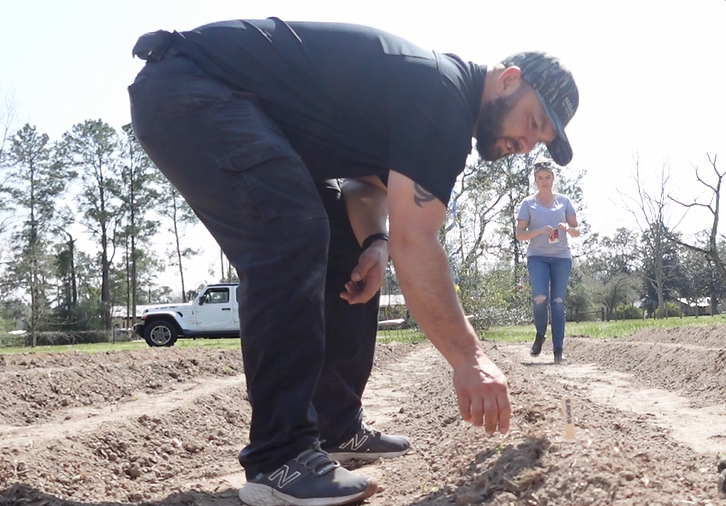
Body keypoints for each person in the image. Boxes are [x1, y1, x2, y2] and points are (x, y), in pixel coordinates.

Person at [128, 18, 579, 506]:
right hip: (191, 88)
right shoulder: (443, 95)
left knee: (344, 245)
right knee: (291, 230)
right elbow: (419, 243)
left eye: (541, 141)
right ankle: (279, 458)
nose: (528, 144)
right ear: (509, 79)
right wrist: (470, 358)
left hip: (242, 110)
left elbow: (366, 186)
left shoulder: (441, 99)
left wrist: (375, 243)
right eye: (532, 123)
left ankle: (335, 427)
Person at [516, 161, 581, 364]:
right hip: (537, 256)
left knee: (558, 302)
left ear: (553, 178)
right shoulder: (528, 203)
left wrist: (567, 229)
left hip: (561, 256)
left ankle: (558, 350)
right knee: (540, 298)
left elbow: (577, 231)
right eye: (540, 178)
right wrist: (539, 231)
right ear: (535, 180)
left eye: (548, 177)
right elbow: (519, 235)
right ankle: (540, 334)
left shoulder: (564, 201)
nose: (544, 181)